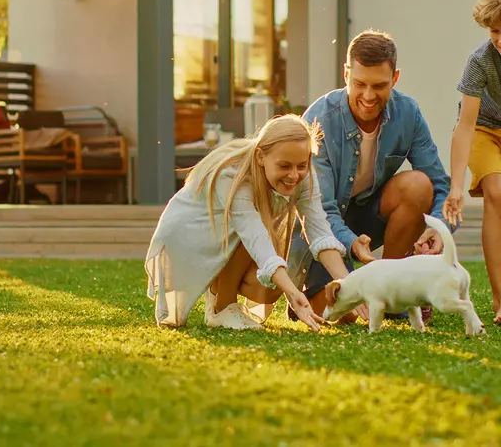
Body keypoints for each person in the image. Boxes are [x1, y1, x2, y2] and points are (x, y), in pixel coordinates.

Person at [292, 30, 452, 320]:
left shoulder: (408, 113)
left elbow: (440, 184)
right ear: (346, 74)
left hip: (368, 217)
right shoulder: (318, 119)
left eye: (379, 86)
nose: (368, 96)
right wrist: (351, 242)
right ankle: (311, 290)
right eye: (359, 84)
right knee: (346, 315)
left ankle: (392, 291)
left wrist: (439, 229)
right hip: (319, 229)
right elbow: (320, 211)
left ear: (395, 78)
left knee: (418, 185)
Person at [145, 115, 352, 332]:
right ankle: (221, 307)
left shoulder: (303, 174)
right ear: (261, 156)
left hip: (230, 236)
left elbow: (320, 233)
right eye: (284, 166)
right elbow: (254, 237)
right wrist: (293, 293)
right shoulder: (233, 176)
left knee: (270, 289)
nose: (294, 175)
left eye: (302, 165)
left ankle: (218, 291)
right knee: (256, 243)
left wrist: (351, 287)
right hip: (189, 236)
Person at [444, 0, 501, 324]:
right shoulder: (480, 61)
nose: (500, 40)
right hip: (484, 129)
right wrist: (456, 187)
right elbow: (465, 127)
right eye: (495, 31)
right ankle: (500, 299)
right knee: (496, 193)